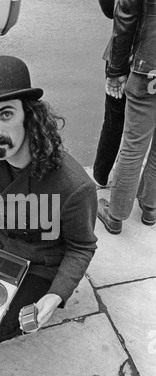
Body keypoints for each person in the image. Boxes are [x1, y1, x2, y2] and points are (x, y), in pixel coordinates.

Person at [0, 56, 98, 343]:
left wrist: (56, 294)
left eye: (6, 114)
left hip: (41, 263)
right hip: (6, 241)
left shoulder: (75, 186)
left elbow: (82, 247)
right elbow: (6, 199)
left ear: (29, 116)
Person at [98, 0, 156, 234]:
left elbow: (125, 16)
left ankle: (116, 215)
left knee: (133, 145)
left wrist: (116, 70)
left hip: (149, 67)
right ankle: (150, 206)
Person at [93, 0, 126, 187]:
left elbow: (113, 12)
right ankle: (148, 200)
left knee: (115, 119)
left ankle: (101, 176)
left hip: (125, 56)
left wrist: (116, 70)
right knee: (146, 124)